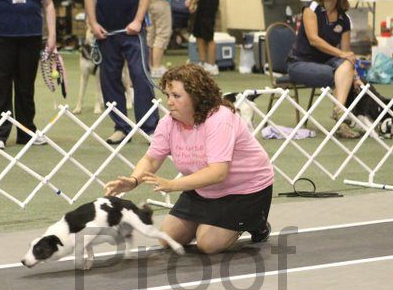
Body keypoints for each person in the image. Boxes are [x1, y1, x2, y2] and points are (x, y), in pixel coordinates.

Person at [104, 64, 274, 254]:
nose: (169, 102)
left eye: (176, 96)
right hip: (205, 190)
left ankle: (256, 223)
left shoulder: (219, 119)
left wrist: (171, 184)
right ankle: (213, 221)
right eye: (167, 95)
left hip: (246, 189)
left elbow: (218, 173)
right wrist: (134, 180)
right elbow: (151, 160)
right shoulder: (168, 123)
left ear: (196, 96)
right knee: (167, 239)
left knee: (207, 244)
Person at [0, 0, 56, 150]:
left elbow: (48, 4)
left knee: (26, 86)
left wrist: (53, 34)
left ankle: (27, 132)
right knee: (0, 84)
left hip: (31, 34)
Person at [84, 0, 159, 145]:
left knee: (140, 75)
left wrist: (138, 20)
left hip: (133, 31)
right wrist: (93, 23)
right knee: (109, 78)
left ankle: (150, 127)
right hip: (105, 32)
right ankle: (122, 127)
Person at [287, 0, 362, 139]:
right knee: (337, 74)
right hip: (299, 64)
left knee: (346, 67)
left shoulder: (344, 19)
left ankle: (339, 112)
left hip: (326, 64)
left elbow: (347, 55)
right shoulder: (311, 8)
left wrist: (355, 76)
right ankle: (342, 121)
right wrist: (341, 53)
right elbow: (314, 40)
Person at [186, 0, 220, 76]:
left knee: (208, 36)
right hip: (201, 3)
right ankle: (202, 63)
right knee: (199, 34)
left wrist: (192, 2)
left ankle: (212, 66)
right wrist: (191, 0)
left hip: (209, 2)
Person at [148, 0, 173, 78]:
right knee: (163, 34)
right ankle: (156, 67)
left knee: (150, 34)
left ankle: (149, 66)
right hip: (161, 0)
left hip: (147, 1)